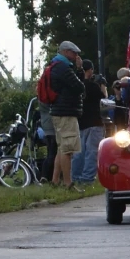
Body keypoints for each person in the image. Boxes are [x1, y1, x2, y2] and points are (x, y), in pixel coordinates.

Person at [47, 41, 86, 189]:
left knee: (62, 147)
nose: (76, 56)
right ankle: (68, 183)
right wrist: (80, 70)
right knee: (68, 149)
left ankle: (55, 180)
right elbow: (79, 87)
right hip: (66, 113)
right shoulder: (63, 68)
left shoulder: (56, 66)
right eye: (73, 52)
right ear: (65, 52)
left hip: (60, 112)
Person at [73, 59, 107, 184]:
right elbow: (104, 99)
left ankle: (75, 176)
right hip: (94, 122)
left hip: (80, 122)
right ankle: (87, 178)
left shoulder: (76, 85)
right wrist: (102, 84)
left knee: (79, 152)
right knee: (92, 152)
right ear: (90, 70)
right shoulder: (93, 86)